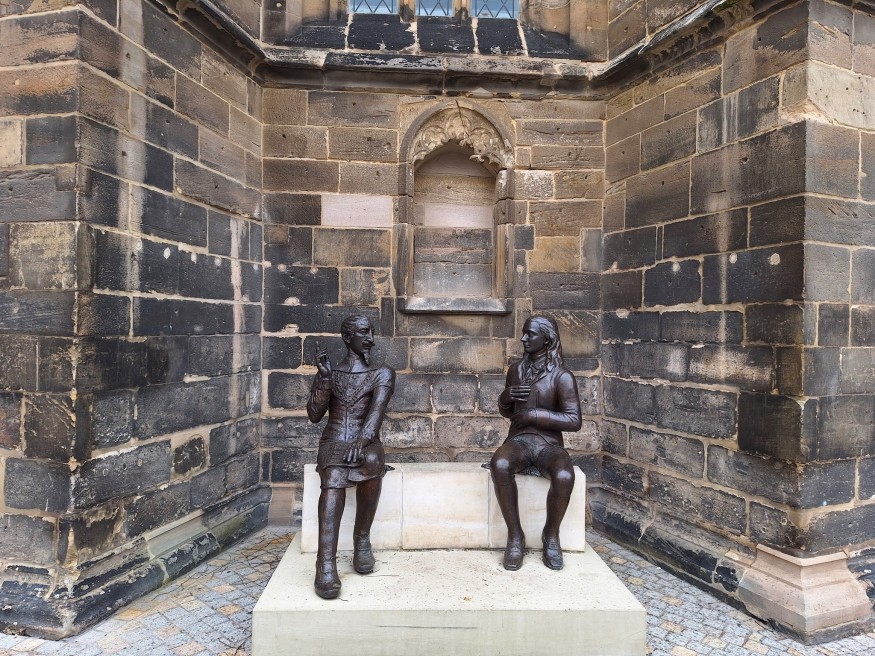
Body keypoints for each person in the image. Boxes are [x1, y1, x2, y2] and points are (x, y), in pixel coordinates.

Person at [306, 315, 395, 599]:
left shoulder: (382, 373)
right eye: (363, 333)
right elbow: (314, 415)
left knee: (371, 462)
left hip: (365, 439)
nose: (370, 339)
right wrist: (324, 378)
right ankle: (325, 564)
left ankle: (362, 538)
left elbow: (376, 412)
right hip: (333, 439)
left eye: (371, 332)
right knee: (333, 474)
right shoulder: (332, 373)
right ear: (347, 338)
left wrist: (362, 440)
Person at [490, 315, 582, 571]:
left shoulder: (562, 376)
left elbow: (574, 420)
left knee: (564, 474)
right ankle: (515, 537)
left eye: (530, 334)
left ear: (547, 339)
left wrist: (536, 415)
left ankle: (551, 535)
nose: (523, 338)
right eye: (524, 333)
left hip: (548, 444)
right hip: (519, 440)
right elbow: (509, 413)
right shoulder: (516, 370)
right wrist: (505, 398)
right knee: (500, 463)